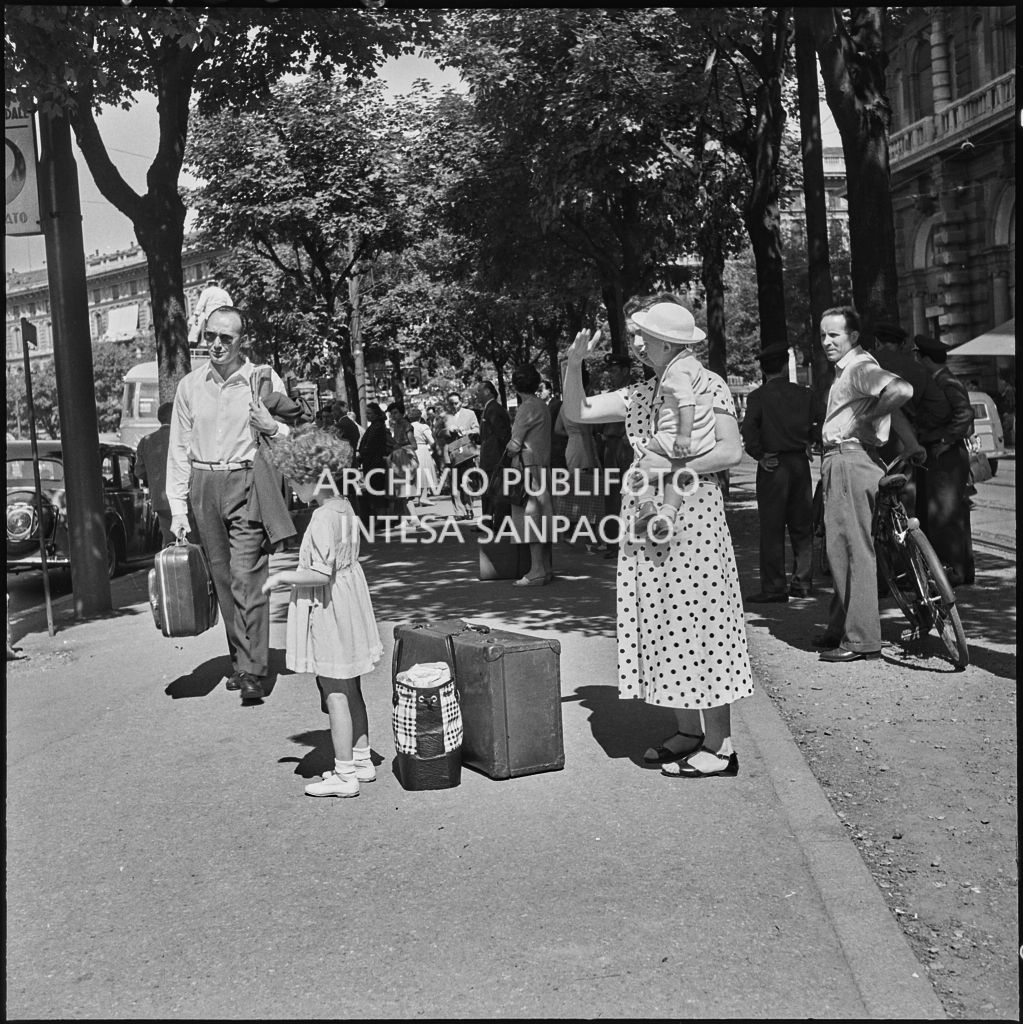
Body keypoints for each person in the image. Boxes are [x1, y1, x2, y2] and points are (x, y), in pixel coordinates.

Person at [561, 302, 753, 779]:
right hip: (646, 516)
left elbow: (731, 451)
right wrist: (573, 364)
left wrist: (671, 467)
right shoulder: (641, 391)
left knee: (705, 621)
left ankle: (721, 745)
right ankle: (689, 731)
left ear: (668, 343)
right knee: (664, 619)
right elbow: (577, 410)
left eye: (645, 337)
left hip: (694, 514)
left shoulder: (709, 384)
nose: (639, 344)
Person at [166, 306, 294, 704]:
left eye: (226, 338)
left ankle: (254, 670)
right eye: (210, 337)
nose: (217, 345)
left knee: (246, 575)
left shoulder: (261, 379)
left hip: (246, 479)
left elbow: (290, 430)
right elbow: (179, 448)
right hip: (204, 482)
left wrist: (272, 426)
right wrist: (178, 509)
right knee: (223, 579)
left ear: (243, 341)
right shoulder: (190, 386)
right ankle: (241, 659)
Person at [262, 427, 382, 798]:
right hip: (349, 605)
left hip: (330, 609)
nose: (293, 490)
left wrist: (281, 577)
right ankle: (361, 759)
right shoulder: (344, 507)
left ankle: (343, 771)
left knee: (334, 692)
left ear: (314, 480)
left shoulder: (320, 519)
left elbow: (318, 573)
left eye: (296, 482)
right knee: (352, 685)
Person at [814, 307, 917, 662]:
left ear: (853, 337)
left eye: (834, 335)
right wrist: (912, 443)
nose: (826, 341)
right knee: (846, 544)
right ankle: (839, 627)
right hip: (856, 460)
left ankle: (861, 639)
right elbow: (894, 406)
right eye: (823, 335)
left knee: (848, 547)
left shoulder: (858, 368)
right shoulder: (854, 369)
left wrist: (867, 418)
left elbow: (901, 390)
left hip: (848, 460)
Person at [621, 302, 716, 543]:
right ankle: (667, 514)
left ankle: (646, 505)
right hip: (699, 438)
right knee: (676, 475)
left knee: (644, 462)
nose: (642, 346)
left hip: (677, 437)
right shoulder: (693, 364)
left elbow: (686, 403)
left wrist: (683, 436)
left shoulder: (676, 372)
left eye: (648, 341)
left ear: (664, 346)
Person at [739, 342, 817, 602]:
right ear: (785, 366)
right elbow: (818, 423)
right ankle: (803, 582)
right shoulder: (805, 394)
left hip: (773, 465)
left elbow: (748, 429)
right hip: (800, 463)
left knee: (772, 527)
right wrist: (809, 442)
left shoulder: (758, 397)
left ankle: (774, 587)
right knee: (802, 525)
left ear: (762, 369)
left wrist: (759, 455)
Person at [870, 321, 952, 516]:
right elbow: (942, 411)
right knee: (904, 504)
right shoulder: (917, 369)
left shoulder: (862, 363)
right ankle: (903, 540)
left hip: (865, 446)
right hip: (904, 447)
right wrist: (918, 424)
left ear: (877, 342)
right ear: (901, 345)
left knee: (867, 506)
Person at [913, 335, 976, 587]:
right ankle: (961, 570)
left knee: (944, 515)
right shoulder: (941, 380)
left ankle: (952, 571)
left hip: (946, 456)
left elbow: (965, 414)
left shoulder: (946, 382)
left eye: (919, 357)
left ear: (925, 358)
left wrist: (946, 441)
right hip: (945, 454)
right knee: (951, 514)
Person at [505, 363, 555, 585]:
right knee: (543, 518)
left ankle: (536, 570)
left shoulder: (526, 408)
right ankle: (545, 567)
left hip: (526, 469)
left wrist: (507, 449)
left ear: (515, 386)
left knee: (529, 519)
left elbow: (515, 444)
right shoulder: (542, 405)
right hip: (541, 467)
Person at [597, 355, 634, 559]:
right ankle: (613, 542)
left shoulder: (636, 391)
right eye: (609, 371)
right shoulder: (612, 394)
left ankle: (628, 539)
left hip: (625, 444)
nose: (610, 375)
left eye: (614, 371)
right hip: (610, 445)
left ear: (626, 371)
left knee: (627, 493)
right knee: (611, 495)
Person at [134, 401, 175, 545]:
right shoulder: (182, 437)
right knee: (192, 540)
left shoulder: (146, 441)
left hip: (160, 499)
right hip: (185, 498)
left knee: (169, 540)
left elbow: (139, 472)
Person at [474, 379, 512, 525]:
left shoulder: (494, 409)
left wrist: (504, 457)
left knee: (497, 492)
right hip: (490, 459)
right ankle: (489, 522)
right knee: (490, 491)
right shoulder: (490, 408)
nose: (477, 394)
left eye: (479, 391)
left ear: (488, 391)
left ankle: (500, 523)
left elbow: (502, 435)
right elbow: (491, 434)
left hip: (495, 460)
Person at [444, 390, 480, 521]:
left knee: (467, 481)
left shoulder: (470, 414)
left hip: (466, 452)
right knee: (454, 483)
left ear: (461, 402)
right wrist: (448, 431)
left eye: (456, 403)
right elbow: (437, 433)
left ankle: (469, 508)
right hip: (451, 453)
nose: (454, 406)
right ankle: (459, 511)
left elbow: (477, 429)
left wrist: (466, 432)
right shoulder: (444, 416)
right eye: (451, 404)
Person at [357, 402, 395, 527]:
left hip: (375, 463)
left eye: (370, 413)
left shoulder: (377, 426)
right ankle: (382, 518)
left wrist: (361, 456)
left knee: (377, 491)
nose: (367, 416)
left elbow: (370, 446)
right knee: (377, 491)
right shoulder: (375, 425)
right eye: (366, 413)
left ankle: (382, 519)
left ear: (376, 413)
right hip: (373, 463)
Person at [386, 402, 422, 525]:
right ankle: (405, 519)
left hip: (406, 460)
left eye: (395, 412)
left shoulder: (407, 425)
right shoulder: (396, 425)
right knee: (400, 491)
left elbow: (414, 445)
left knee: (407, 491)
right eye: (392, 414)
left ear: (402, 412)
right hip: (398, 460)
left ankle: (414, 518)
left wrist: (399, 446)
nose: (393, 416)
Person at [409, 406, 439, 505]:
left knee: (416, 473)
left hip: (411, 451)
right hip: (422, 449)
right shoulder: (423, 427)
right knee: (425, 472)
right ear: (419, 417)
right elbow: (431, 441)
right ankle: (424, 496)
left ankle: (416, 497)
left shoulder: (408, 427)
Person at [187, 282, 233, 346]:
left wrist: (196, 315)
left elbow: (201, 304)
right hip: (222, 316)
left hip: (210, 316)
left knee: (206, 329)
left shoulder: (206, 292)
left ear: (209, 285)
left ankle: (205, 342)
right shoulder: (224, 292)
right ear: (217, 285)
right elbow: (230, 305)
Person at [996, 369, 1015, 448]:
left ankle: (1009, 443)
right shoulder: (1007, 389)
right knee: (1007, 428)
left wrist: (1007, 411)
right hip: (1007, 412)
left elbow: (1010, 402)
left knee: (1008, 428)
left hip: (1008, 412)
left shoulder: (1009, 390)